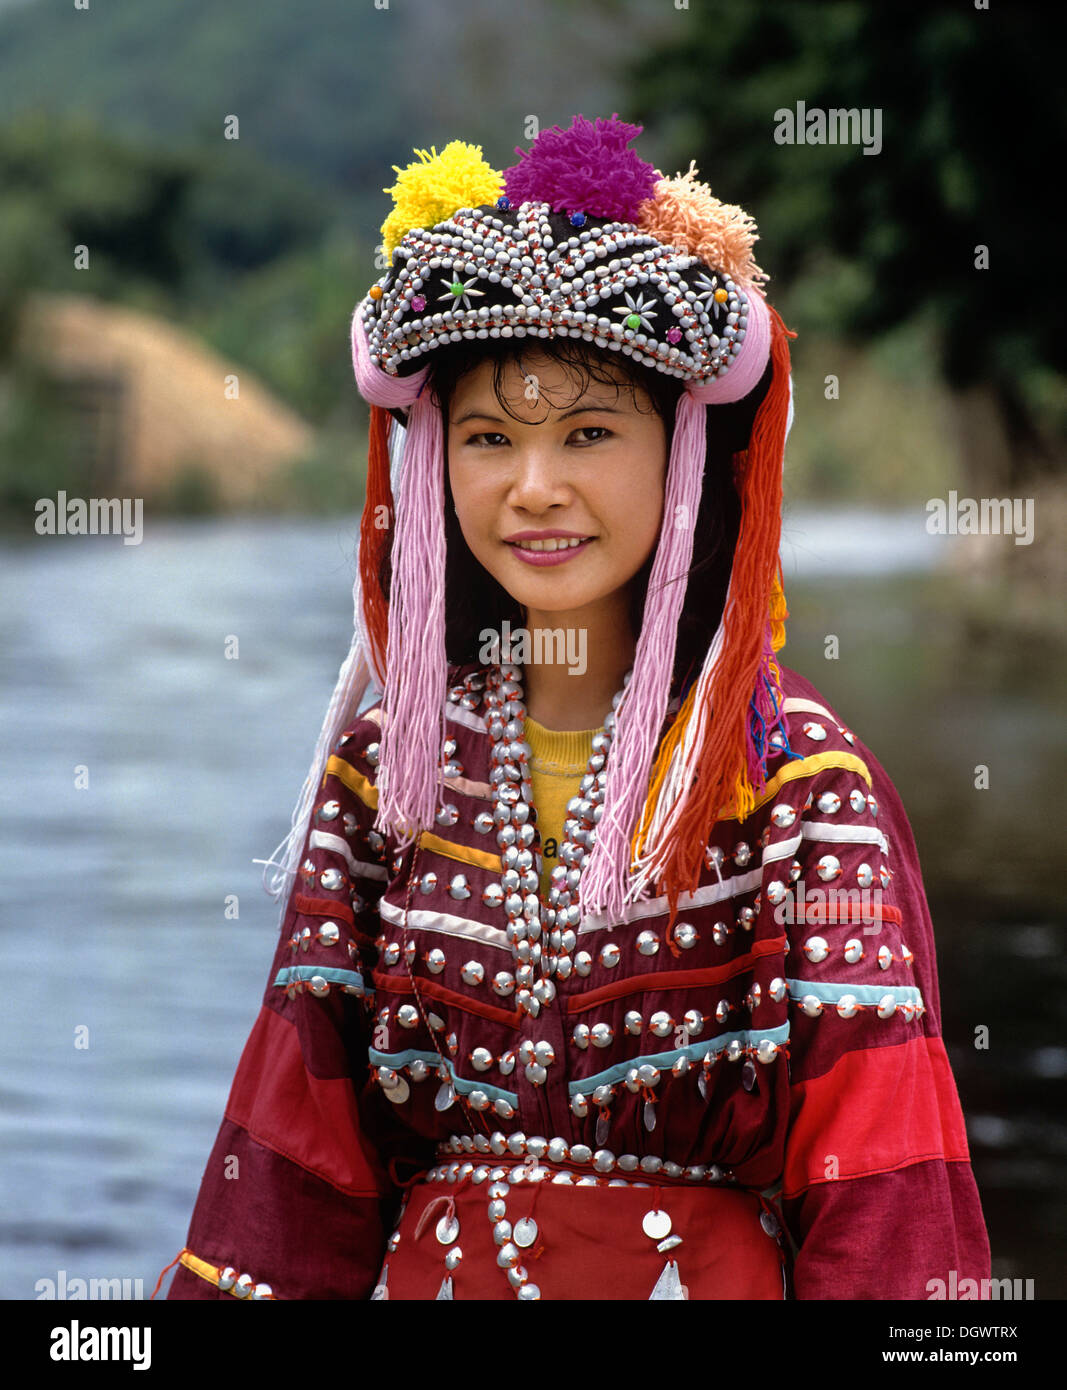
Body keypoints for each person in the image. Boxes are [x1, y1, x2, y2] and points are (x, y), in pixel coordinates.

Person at [163, 114, 990, 1300]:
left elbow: (887, 1203)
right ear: (433, 464)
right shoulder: (386, 775)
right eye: (489, 437)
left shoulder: (797, 781)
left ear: (684, 455)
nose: (532, 488)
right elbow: (290, 1188)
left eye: (590, 433)